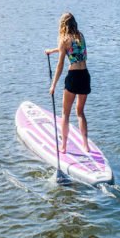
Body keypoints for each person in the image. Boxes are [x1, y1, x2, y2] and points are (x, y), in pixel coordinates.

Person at [44, 12, 91, 154]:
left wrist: (53, 85)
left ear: (63, 25)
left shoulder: (64, 39)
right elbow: (71, 50)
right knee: (80, 112)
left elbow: (60, 64)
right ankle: (85, 145)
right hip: (85, 76)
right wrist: (52, 50)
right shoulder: (81, 37)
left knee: (65, 113)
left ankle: (63, 146)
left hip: (74, 76)